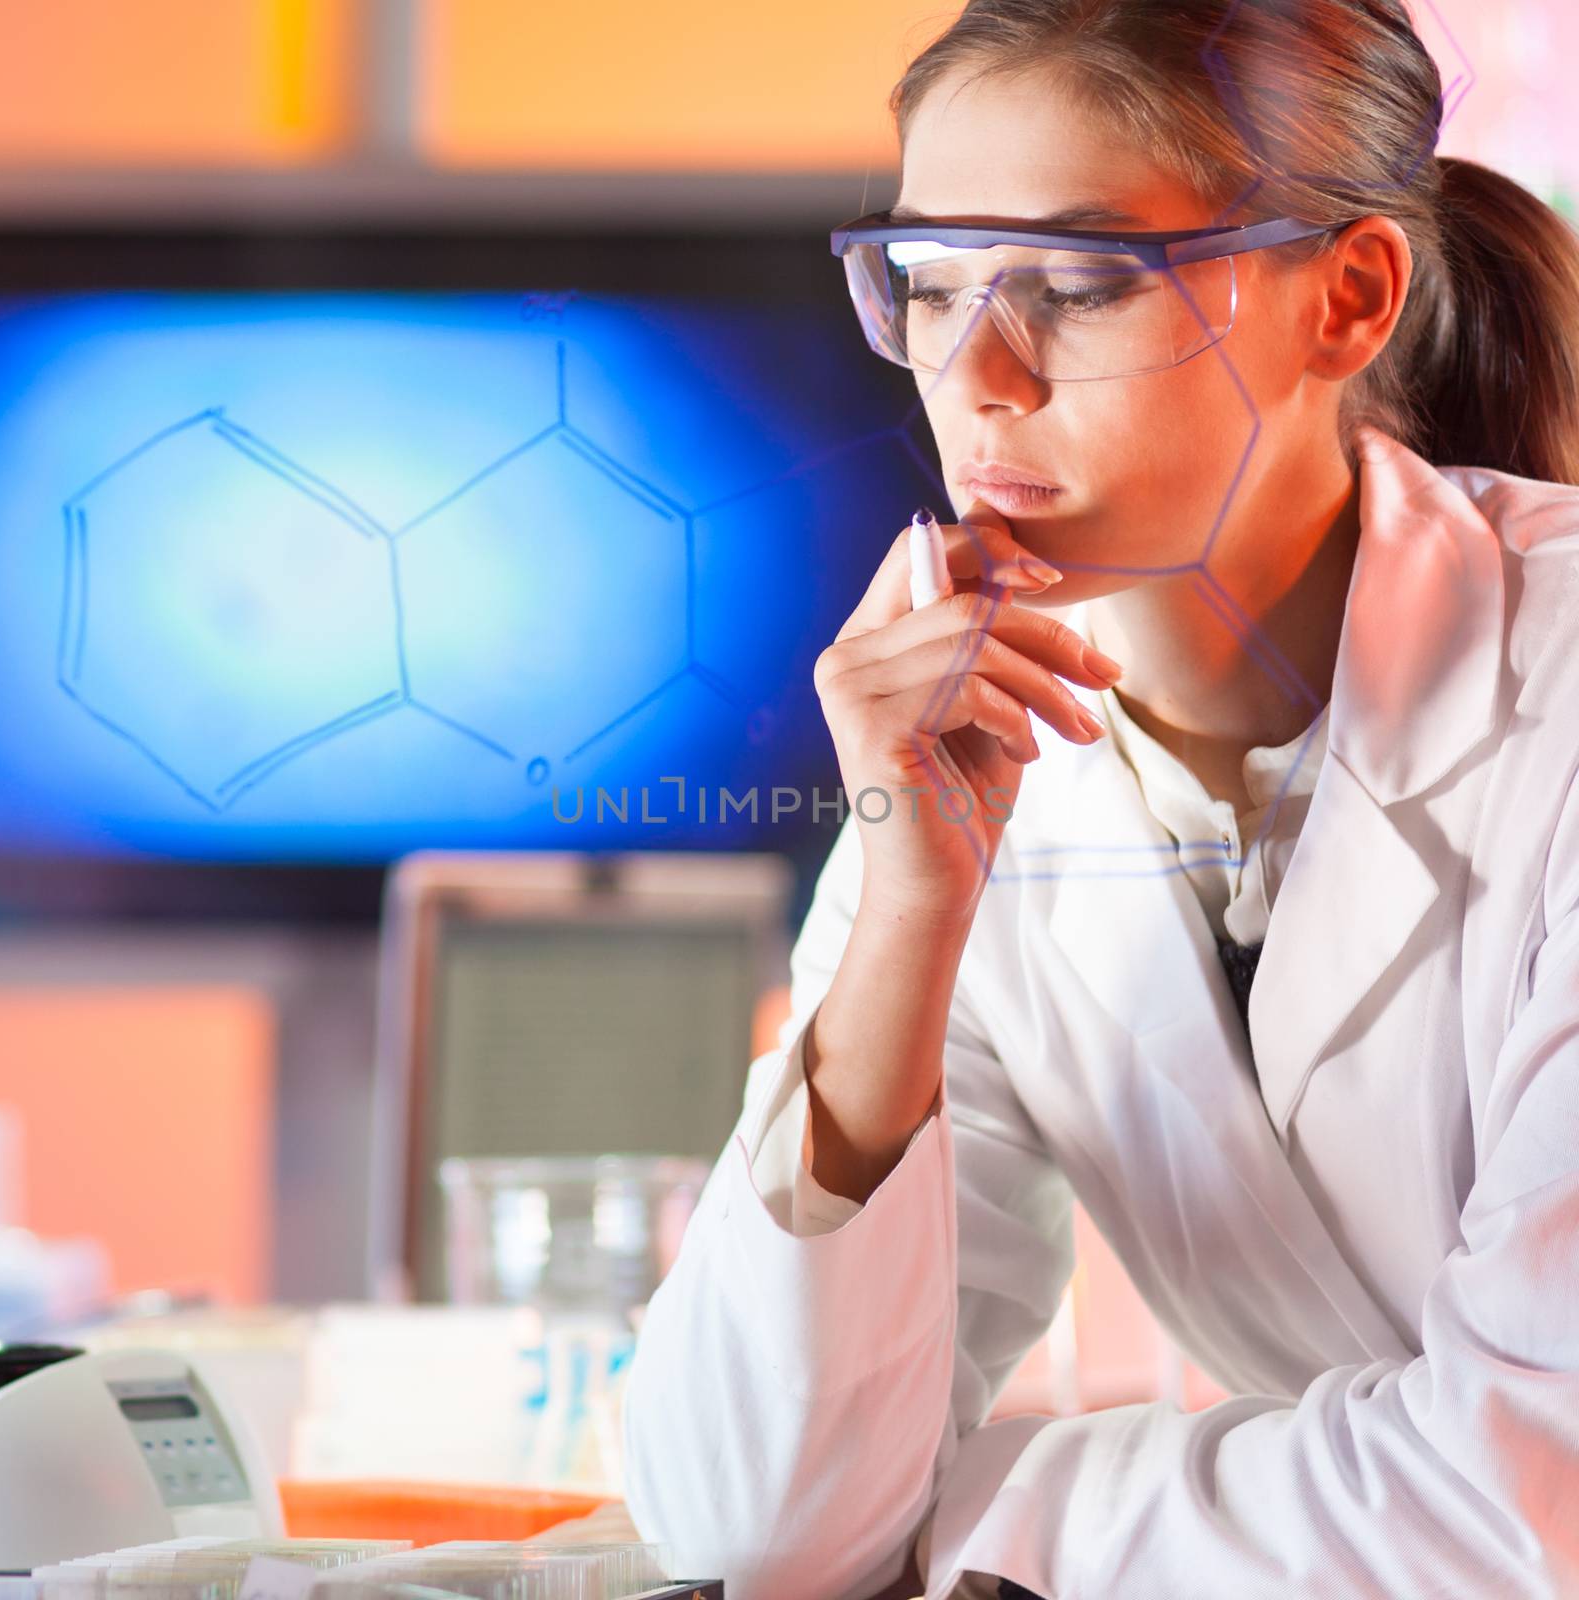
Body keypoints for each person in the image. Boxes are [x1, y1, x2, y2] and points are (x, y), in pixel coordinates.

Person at [621, 1, 1579, 1595]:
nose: (978, 377)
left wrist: (986, 1519)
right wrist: (909, 911)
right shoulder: (972, 765)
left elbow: (1524, 1503)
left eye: (1076, 285)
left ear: (1345, 298)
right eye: (928, 286)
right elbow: (750, 1526)